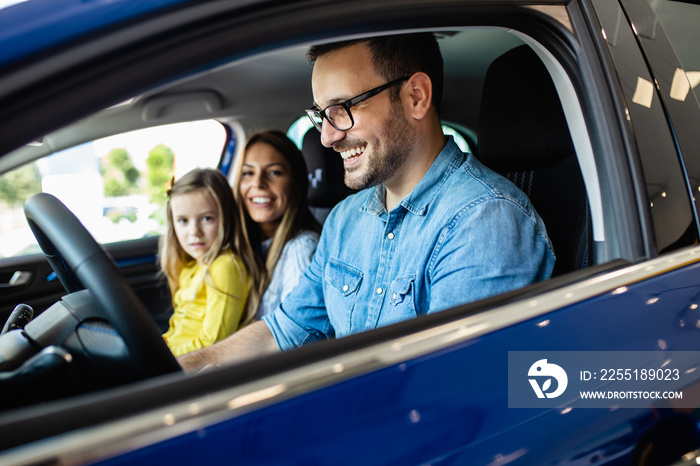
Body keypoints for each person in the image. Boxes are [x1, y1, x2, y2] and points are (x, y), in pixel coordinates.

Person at [178, 33, 555, 371]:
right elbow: (281, 333)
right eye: (321, 114)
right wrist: (181, 372)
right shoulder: (345, 219)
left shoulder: (485, 219)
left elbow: (450, 385)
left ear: (416, 97)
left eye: (344, 107)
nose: (326, 137)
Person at [160, 168, 262, 357]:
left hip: (195, 364)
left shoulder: (225, 266)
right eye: (183, 221)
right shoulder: (190, 267)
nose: (194, 232)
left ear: (226, 219)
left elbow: (213, 342)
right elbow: (179, 332)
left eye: (206, 219)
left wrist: (162, 357)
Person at [234, 130, 322, 323]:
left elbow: (296, 334)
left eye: (274, 172)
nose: (258, 183)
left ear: (295, 182)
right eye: (248, 173)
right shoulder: (245, 245)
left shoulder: (301, 248)